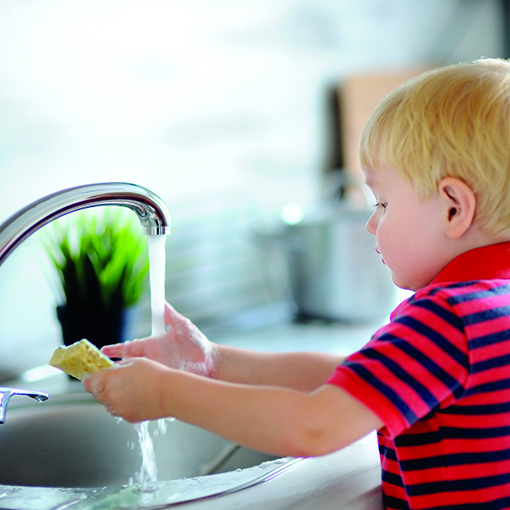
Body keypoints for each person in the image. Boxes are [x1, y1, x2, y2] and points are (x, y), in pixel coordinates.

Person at [84, 57, 510, 510]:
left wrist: (165, 393)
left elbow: (315, 425)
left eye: (383, 203)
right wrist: (214, 361)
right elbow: (358, 378)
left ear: (453, 208)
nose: (370, 224)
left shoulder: (449, 317)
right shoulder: (488, 306)